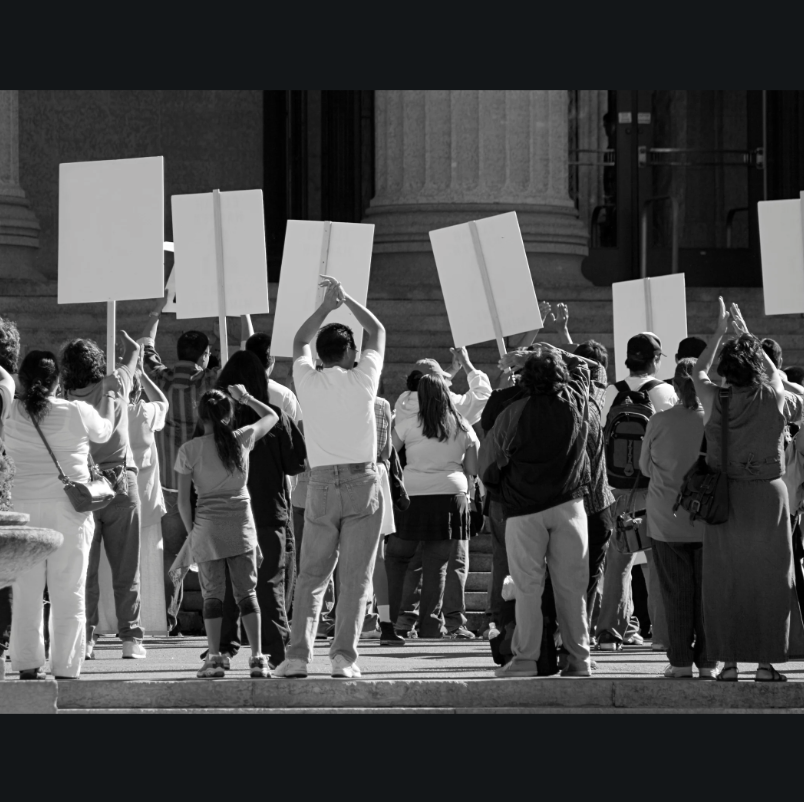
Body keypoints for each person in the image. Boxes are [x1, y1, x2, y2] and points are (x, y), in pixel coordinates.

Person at [273, 275, 386, 679]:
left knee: (311, 576)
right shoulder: (364, 377)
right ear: (351, 352)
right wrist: (347, 299)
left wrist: (325, 306)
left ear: (322, 354)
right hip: (362, 482)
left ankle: (300, 656)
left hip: (319, 483)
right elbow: (378, 329)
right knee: (356, 578)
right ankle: (343, 658)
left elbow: (298, 341)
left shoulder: (307, 379)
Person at [693, 300, 804, 682]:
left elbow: (696, 370)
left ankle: (728, 664)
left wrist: (720, 331)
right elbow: (775, 373)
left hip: (725, 496)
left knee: (725, 579)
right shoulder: (773, 395)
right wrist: (747, 335)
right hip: (769, 496)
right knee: (772, 580)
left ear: (726, 370)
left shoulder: (713, 399)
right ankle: (765, 663)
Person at [480, 344, 596, 678]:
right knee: (572, 589)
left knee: (527, 588)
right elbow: (587, 369)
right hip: (570, 506)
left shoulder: (512, 412)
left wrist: (504, 491)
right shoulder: (576, 401)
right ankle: (579, 659)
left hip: (524, 509)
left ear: (525, 380)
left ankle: (526, 659)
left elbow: (486, 465)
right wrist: (543, 353)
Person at [2, 351, 114, 679]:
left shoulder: (9, 412)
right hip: (69, 510)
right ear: (58, 381)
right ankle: (66, 667)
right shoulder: (76, 411)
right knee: (69, 590)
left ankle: (26, 663)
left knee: (25, 593)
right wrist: (109, 394)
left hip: (22, 512)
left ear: (22, 379)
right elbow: (105, 433)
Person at [140, 299, 247, 635]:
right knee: (220, 554)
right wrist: (240, 312)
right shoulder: (211, 381)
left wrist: (155, 313)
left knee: (173, 555)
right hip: (208, 483)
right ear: (203, 355)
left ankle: (168, 620)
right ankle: (226, 620)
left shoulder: (158, 378)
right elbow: (242, 356)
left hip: (170, 482)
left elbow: (143, 347)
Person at [201, 351, 306, 669]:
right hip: (268, 512)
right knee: (269, 583)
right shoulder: (274, 416)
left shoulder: (216, 420)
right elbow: (296, 463)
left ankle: (222, 648)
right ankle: (274, 652)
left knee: (228, 585)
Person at [175, 387, 279, 678]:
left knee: (212, 596)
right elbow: (272, 416)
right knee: (248, 593)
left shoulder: (189, 450)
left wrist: (192, 534)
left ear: (201, 415)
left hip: (207, 526)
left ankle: (215, 658)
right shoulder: (242, 438)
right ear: (227, 414)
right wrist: (246, 398)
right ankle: (258, 657)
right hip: (240, 523)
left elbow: (183, 503)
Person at [61, 332, 145, 659]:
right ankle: (131, 639)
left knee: (86, 570)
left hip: (83, 487)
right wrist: (126, 345)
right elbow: (135, 353)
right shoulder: (116, 385)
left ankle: (87, 638)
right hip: (122, 483)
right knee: (127, 569)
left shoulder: (64, 398)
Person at [639, 359, 718, 679]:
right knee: (706, 594)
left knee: (675, 592)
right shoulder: (714, 421)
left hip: (665, 518)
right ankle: (709, 663)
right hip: (707, 519)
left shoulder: (658, 421)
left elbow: (645, 468)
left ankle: (681, 661)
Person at [596, 332, 674, 651]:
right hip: (653, 488)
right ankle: (662, 632)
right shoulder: (666, 392)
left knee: (618, 560)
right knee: (658, 560)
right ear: (654, 359)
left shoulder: (611, 391)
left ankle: (610, 633)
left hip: (614, 487)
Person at [386, 375, 480, 639]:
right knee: (438, 564)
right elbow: (472, 468)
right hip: (451, 496)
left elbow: (388, 454)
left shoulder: (408, 424)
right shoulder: (463, 425)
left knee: (405, 559)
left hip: (413, 495)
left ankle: (399, 621)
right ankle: (431, 626)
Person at [127, 367, 170, 634]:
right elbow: (163, 403)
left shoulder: (109, 411)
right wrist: (143, 374)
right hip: (146, 499)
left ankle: (109, 622)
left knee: (113, 567)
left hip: (115, 500)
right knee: (149, 567)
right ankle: (150, 622)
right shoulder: (144, 411)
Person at [372, 394, 405, 645]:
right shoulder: (381, 404)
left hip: (341, 472)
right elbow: (386, 451)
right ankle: (385, 624)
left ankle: (344, 620)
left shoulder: (334, 395)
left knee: (341, 556)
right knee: (378, 558)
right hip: (376, 473)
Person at [395, 347, 491, 429]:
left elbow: (431, 384)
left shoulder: (402, 402)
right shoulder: (445, 403)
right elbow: (483, 396)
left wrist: (453, 368)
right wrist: (465, 362)